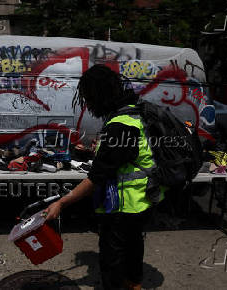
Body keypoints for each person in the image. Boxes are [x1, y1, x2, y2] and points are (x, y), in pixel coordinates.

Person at [44, 64, 163, 290]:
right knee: (133, 248)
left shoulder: (120, 125)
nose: (87, 105)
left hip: (123, 207)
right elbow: (126, 156)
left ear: (100, 95)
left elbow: (97, 177)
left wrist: (61, 203)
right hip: (141, 202)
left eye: (88, 99)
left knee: (112, 261)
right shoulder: (132, 113)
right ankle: (134, 284)